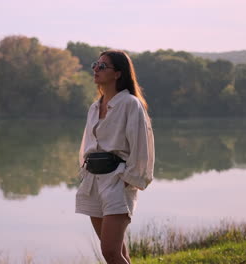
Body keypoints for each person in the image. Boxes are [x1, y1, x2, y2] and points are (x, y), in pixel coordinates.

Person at [75, 50, 155, 264]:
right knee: (118, 252)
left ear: (118, 73)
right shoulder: (94, 107)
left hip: (117, 182)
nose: (96, 69)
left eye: (102, 66)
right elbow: (87, 145)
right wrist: (84, 174)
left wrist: (129, 180)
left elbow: (141, 146)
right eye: (95, 64)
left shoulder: (130, 104)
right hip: (93, 181)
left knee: (110, 252)